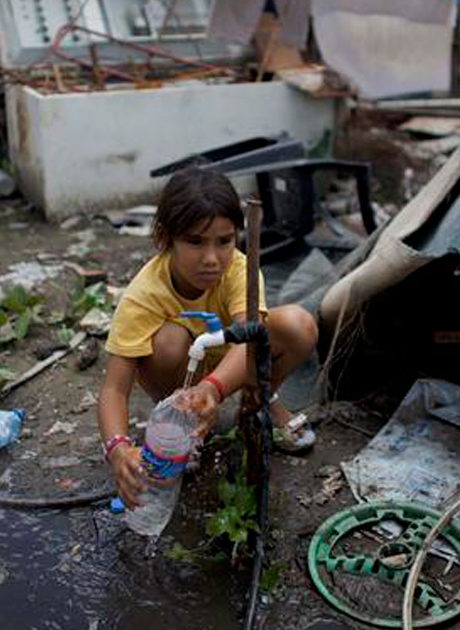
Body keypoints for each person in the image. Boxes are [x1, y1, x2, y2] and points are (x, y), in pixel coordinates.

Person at [97, 166, 319, 508]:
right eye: (195, 241)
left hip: (229, 366)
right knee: (169, 341)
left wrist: (213, 388)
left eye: (224, 241)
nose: (212, 259)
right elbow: (114, 388)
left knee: (299, 326)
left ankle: (258, 400)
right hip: (181, 374)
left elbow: (249, 341)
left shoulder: (238, 270)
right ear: (165, 237)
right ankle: (182, 422)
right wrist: (118, 449)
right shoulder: (144, 295)